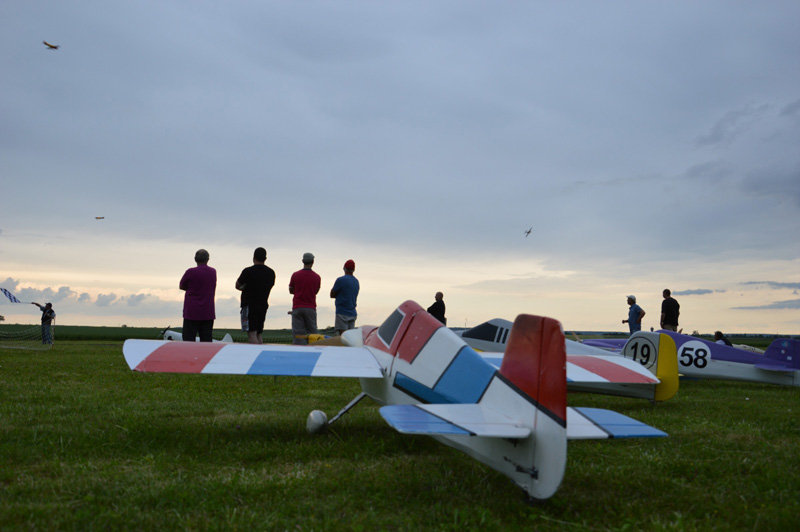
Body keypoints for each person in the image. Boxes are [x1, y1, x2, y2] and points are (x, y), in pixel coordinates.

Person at [236, 247, 276, 344]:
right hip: (263, 305)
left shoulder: (247, 271)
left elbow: (237, 285)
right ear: (265, 258)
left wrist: (245, 288)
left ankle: (253, 352)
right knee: (258, 333)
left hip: (249, 305)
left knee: (252, 334)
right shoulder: (271, 273)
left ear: (254, 257)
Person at [179, 249, 217, 342]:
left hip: (191, 311)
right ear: (208, 259)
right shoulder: (213, 272)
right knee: (206, 341)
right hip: (207, 311)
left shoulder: (190, 272)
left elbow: (181, 286)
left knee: (188, 340)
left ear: (195, 259)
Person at [289, 252, 321, 344]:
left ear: (303, 261)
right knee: (312, 334)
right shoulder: (317, 277)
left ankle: (298, 350)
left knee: (298, 335)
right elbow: (316, 292)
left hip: (297, 307)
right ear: (313, 262)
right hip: (311, 308)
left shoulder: (295, 275)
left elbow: (291, 290)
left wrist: (298, 292)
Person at [330, 259, 360, 335]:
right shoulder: (356, 281)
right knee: (350, 338)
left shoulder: (340, 280)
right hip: (352, 313)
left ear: (344, 268)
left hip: (342, 313)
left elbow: (332, 295)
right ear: (354, 270)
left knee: (342, 338)